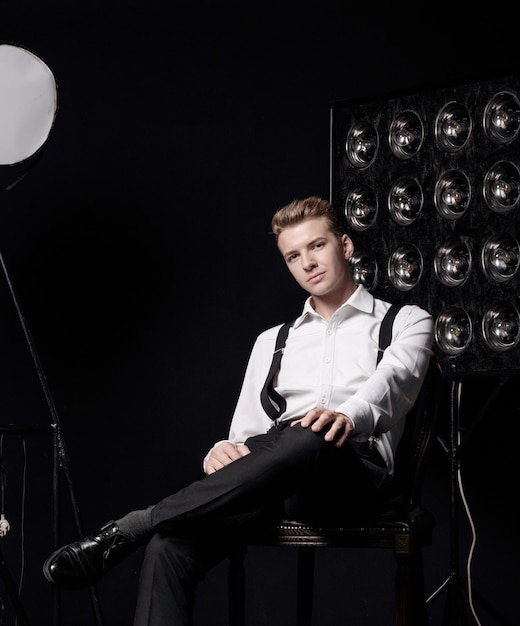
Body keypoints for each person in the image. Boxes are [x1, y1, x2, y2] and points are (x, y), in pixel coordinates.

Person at [43, 196, 434, 625]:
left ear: (345, 246)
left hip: (352, 476)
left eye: (317, 246)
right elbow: (248, 431)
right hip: (275, 480)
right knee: (169, 547)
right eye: (293, 255)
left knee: (312, 432)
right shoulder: (273, 339)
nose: (307, 263)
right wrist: (223, 449)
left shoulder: (406, 321)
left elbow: (395, 383)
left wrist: (346, 415)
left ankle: (133, 525)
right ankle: (151, 531)